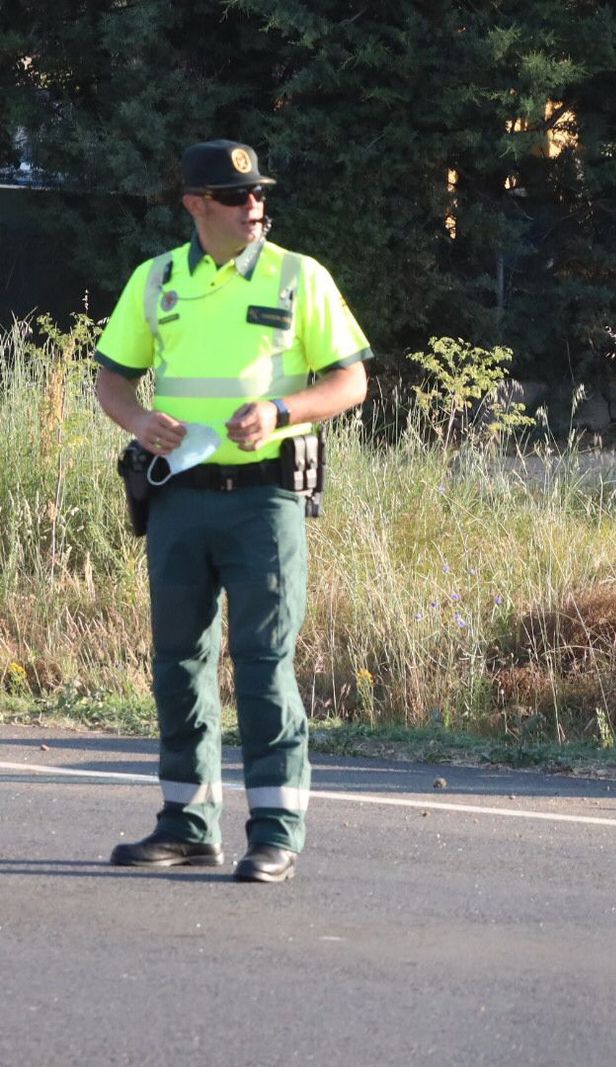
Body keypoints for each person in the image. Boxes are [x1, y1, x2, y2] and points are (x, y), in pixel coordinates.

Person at [94, 139, 371, 883]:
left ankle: (276, 831)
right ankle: (187, 823)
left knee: (263, 663)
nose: (255, 206)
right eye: (234, 196)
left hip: (265, 500)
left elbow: (350, 383)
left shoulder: (297, 276)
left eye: (257, 194)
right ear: (195, 204)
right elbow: (112, 379)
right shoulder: (156, 281)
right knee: (177, 662)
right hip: (179, 498)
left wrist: (281, 410)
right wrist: (138, 419)